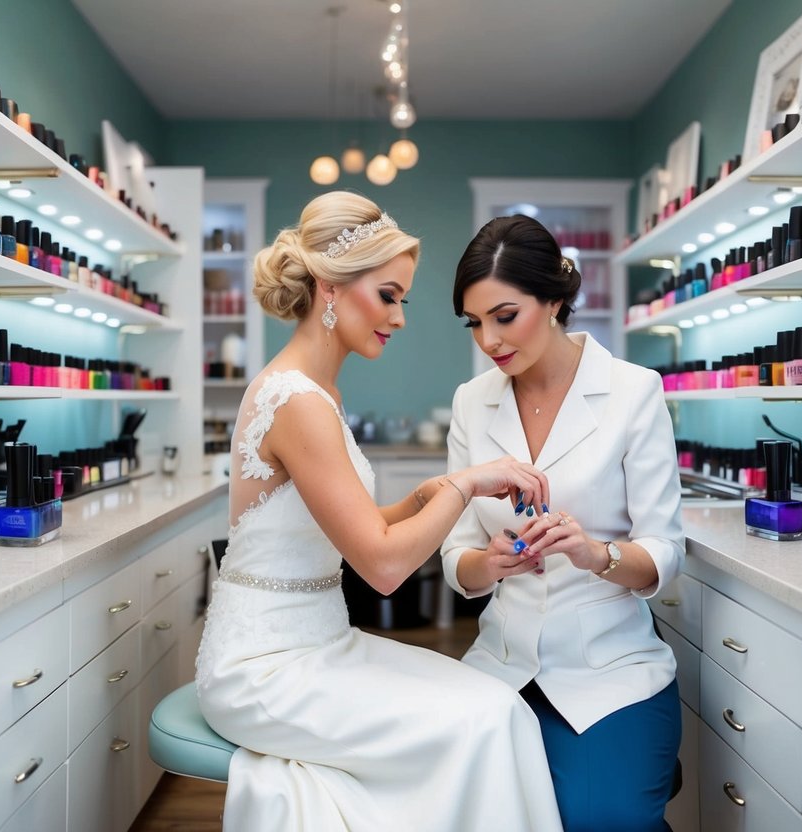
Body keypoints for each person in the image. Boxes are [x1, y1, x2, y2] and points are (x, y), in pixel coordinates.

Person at [195, 192, 564, 832]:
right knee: (483, 718)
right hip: (266, 668)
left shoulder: (317, 392)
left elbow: (352, 525)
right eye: (388, 295)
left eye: (403, 300)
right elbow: (385, 567)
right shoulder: (299, 401)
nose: (398, 317)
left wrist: (435, 492)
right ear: (329, 287)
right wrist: (466, 483)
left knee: (495, 704)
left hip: (320, 643)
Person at [442, 214, 685, 832]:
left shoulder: (634, 392)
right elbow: (456, 556)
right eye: (475, 323)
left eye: (504, 315)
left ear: (553, 300)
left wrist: (594, 553)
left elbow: (664, 551)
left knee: (605, 819)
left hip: (611, 670)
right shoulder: (474, 402)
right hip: (501, 665)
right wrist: (489, 563)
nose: (490, 340)